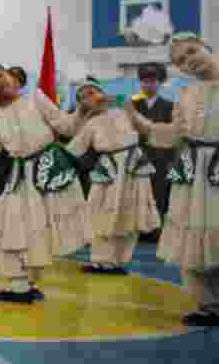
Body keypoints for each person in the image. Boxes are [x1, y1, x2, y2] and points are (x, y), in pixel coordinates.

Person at [0, 63, 89, 303]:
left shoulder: (35, 98)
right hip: (21, 178)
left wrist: (82, 110)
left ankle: (24, 286)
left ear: (12, 77)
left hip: (47, 173)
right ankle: (22, 285)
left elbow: (67, 127)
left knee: (31, 231)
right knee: (4, 229)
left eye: (0, 75)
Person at [124, 33, 219, 326]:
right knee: (191, 244)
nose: (189, 62)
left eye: (191, 52)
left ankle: (211, 300)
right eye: (181, 61)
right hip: (194, 176)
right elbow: (174, 135)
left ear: (205, 45)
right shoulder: (187, 95)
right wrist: (140, 123)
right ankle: (207, 304)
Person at [65, 78, 160, 273]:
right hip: (109, 169)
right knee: (99, 212)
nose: (90, 98)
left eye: (92, 92)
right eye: (84, 97)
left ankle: (119, 260)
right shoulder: (90, 124)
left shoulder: (124, 110)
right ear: (81, 105)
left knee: (130, 213)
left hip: (134, 166)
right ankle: (100, 259)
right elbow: (74, 149)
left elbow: (148, 128)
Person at [132, 62, 175, 242]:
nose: (148, 84)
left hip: (160, 158)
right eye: (144, 80)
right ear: (140, 82)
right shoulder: (132, 105)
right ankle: (139, 229)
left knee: (158, 194)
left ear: (159, 82)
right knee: (138, 194)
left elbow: (172, 134)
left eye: (152, 80)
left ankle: (155, 230)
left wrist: (171, 160)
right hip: (137, 158)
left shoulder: (169, 106)